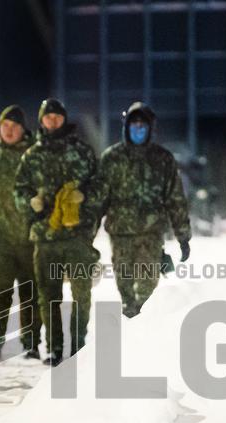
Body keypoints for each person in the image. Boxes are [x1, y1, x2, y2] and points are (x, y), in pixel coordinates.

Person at [14, 98, 99, 366]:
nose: (52, 121)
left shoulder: (83, 152)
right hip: (45, 235)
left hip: (78, 237)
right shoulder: (32, 155)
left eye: (56, 117)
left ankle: (78, 345)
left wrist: (84, 198)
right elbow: (19, 190)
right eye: (47, 117)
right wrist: (31, 203)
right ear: (41, 121)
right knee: (49, 295)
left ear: (64, 119)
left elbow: (100, 187)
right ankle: (54, 347)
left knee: (81, 293)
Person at [86, 102, 191, 317]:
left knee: (145, 292)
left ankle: (144, 333)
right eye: (134, 125)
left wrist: (183, 236)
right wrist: (87, 237)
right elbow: (98, 201)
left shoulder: (162, 160)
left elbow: (175, 199)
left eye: (143, 125)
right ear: (126, 127)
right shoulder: (112, 159)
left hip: (150, 237)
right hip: (120, 236)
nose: (138, 129)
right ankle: (133, 334)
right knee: (127, 294)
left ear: (151, 128)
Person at [0, 105, 41, 359]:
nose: (9, 130)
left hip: (30, 238)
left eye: (14, 126)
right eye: (5, 126)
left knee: (30, 292)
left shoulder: (34, 156)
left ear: (23, 129)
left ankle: (31, 341)